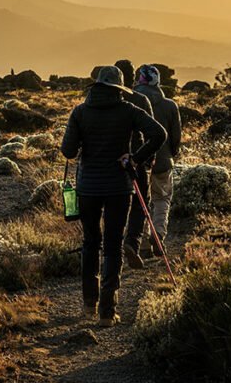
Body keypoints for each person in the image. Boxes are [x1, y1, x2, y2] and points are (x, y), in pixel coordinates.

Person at [60, 66, 166, 327]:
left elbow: (68, 151)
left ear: (96, 86)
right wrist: (135, 158)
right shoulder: (128, 110)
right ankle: (108, 312)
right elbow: (159, 134)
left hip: (87, 188)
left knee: (90, 243)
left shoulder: (80, 112)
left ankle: (88, 304)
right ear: (119, 88)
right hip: (119, 187)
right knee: (113, 246)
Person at [133, 65, 182, 257]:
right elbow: (175, 135)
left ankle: (144, 244)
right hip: (162, 161)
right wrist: (172, 153)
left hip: (137, 161)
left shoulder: (130, 102)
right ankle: (158, 234)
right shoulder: (170, 105)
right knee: (162, 199)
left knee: (140, 202)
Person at [114, 60, 155, 270]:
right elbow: (154, 133)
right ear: (132, 78)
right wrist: (145, 159)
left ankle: (113, 248)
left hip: (110, 162)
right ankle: (132, 243)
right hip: (136, 159)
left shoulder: (104, 100)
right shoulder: (141, 100)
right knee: (140, 204)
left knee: (113, 205)